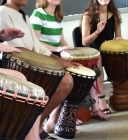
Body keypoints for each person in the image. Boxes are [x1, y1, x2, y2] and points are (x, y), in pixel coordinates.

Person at [0, 0, 81, 139]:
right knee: (64, 80)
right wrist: (54, 63)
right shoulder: (1, 12)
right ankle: (32, 128)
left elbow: (36, 45)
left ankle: (36, 124)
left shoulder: (23, 15)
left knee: (67, 80)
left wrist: (61, 61)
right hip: (16, 68)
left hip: (31, 64)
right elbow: (14, 50)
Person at [30, 0, 108, 129]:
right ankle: (54, 120)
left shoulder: (57, 15)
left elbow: (61, 42)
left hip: (55, 55)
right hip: (43, 56)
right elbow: (35, 43)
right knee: (70, 77)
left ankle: (72, 114)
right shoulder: (38, 15)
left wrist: (70, 52)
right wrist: (57, 50)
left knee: (87, 71)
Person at [81, 0, 128, 113]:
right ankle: (101, 99)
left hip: (109, 52)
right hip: (93, 51)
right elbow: (84, 42)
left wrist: (118, 39)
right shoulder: (88, 15)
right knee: (98, 59)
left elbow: (118, 37)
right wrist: (97, 31)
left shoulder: (115, 13)